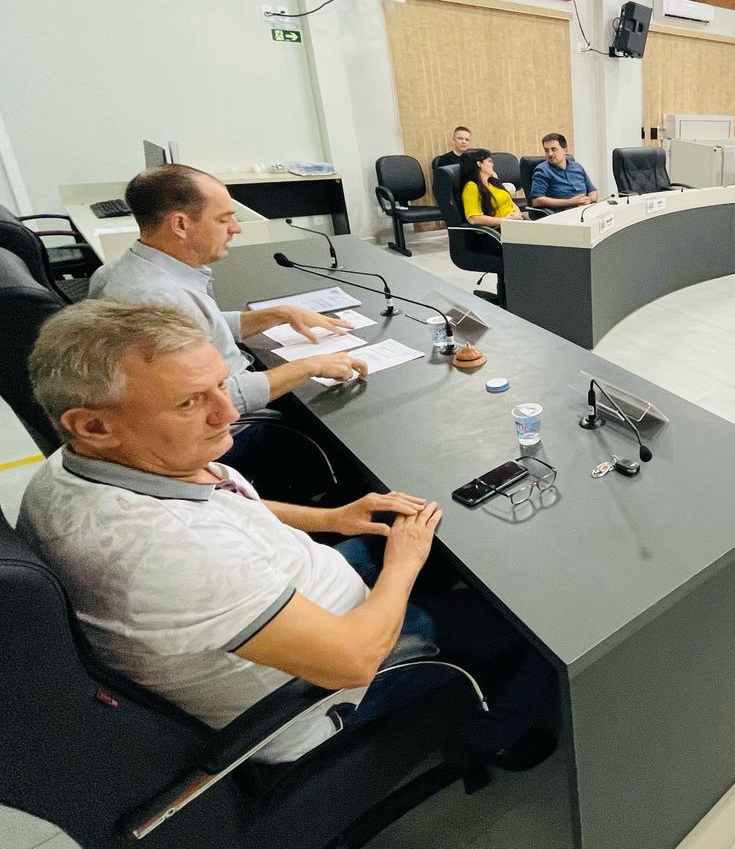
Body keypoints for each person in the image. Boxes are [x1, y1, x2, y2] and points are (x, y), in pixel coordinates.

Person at [19, 301, 556, 767]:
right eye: (189, 402)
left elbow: (227, 504)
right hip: (324, 693)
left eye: (220, 386)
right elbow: (354, 661)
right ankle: (493, 738)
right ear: (94, 425)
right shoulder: (163, 552)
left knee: (420, 531)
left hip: (291, 592)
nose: (228, 412)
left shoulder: (78, 466)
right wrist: (403, 564)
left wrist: (333, 518)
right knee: (534, 624)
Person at [89, 164, 368, 416]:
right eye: (223, 220)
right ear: (180, 224)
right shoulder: (160, 300)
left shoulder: (118, 271)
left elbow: (199, 326)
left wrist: (279, 314)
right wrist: (309, 366)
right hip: (234, 427)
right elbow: (210, 402)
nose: (236, 229)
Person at [527, 133, 598, 211]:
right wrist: (570, 202)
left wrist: (589, 199)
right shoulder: (542, 170)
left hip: (585, 209)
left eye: (553, 149)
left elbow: (593, 192)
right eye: (546, 150)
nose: (550, 154)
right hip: (563, 212)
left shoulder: (577, 167)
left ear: (565, 150)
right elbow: (537, 201)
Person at [460, 148, 525, 227]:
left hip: (514, 223)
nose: (492, 165)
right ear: (479, 164)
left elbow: (509, 201)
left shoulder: (492, 181)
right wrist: (505, 220)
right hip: (498, 228)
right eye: (489, 161)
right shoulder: (471, 187)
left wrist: (518, 213)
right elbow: (474, 219)